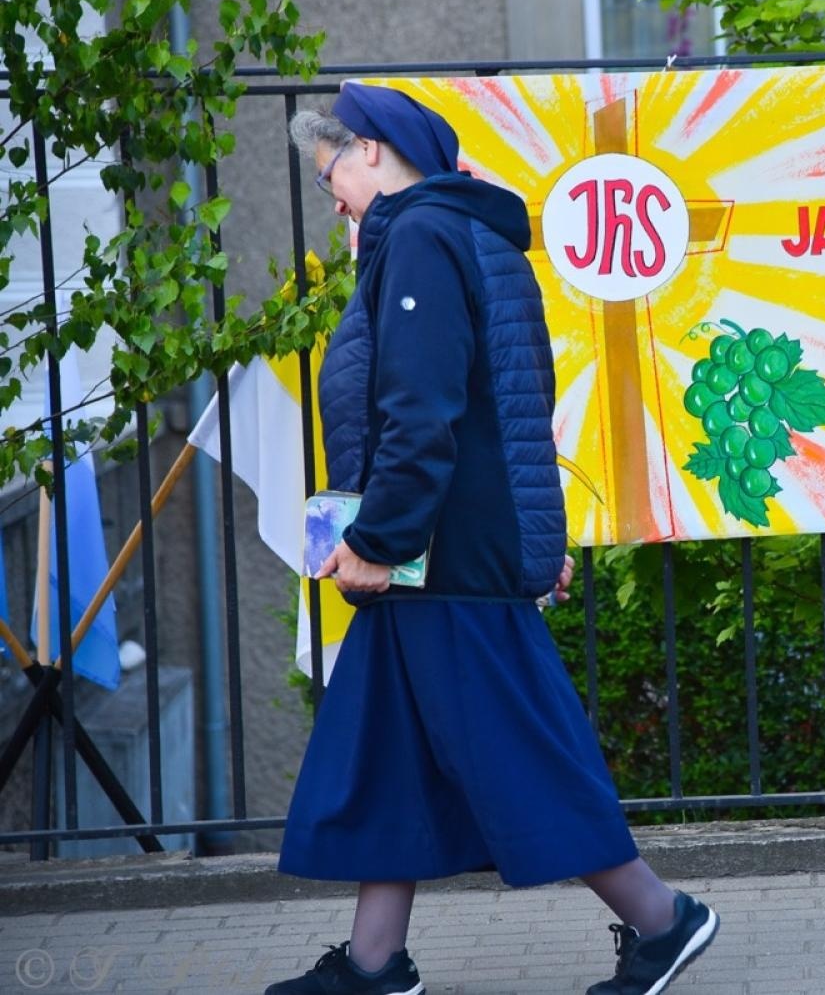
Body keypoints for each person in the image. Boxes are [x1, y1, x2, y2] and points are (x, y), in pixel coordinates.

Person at [269, 83, 717, 995]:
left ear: (371, 150)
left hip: (444, 559)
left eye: (329, 177)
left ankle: (664, 920)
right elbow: (507, 406)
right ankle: (375, 962)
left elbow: (421, 412)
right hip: (451, 551)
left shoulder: (424, 236)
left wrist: (378, 540)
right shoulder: (463, 234)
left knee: (515, 752)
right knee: (389, 755)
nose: (335, 202)